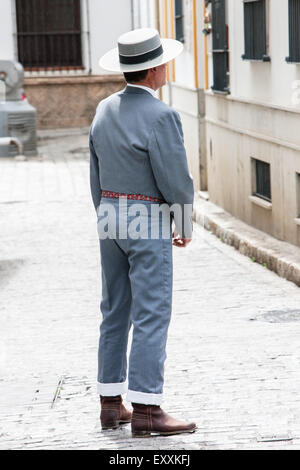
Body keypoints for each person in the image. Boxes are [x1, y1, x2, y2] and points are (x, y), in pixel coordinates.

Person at [89, 27, 196, 437]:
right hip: (147, 219)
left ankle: (111, 403)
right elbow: (176, 181)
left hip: (110, 216)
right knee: (152, 313)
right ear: (154, 69)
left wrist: (106, 215)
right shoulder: (162, 115)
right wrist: (182, 224)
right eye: (164, 62)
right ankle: (148, 409)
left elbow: (95, 174)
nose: (167, 67)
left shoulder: (103, 109)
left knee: (114, 310)